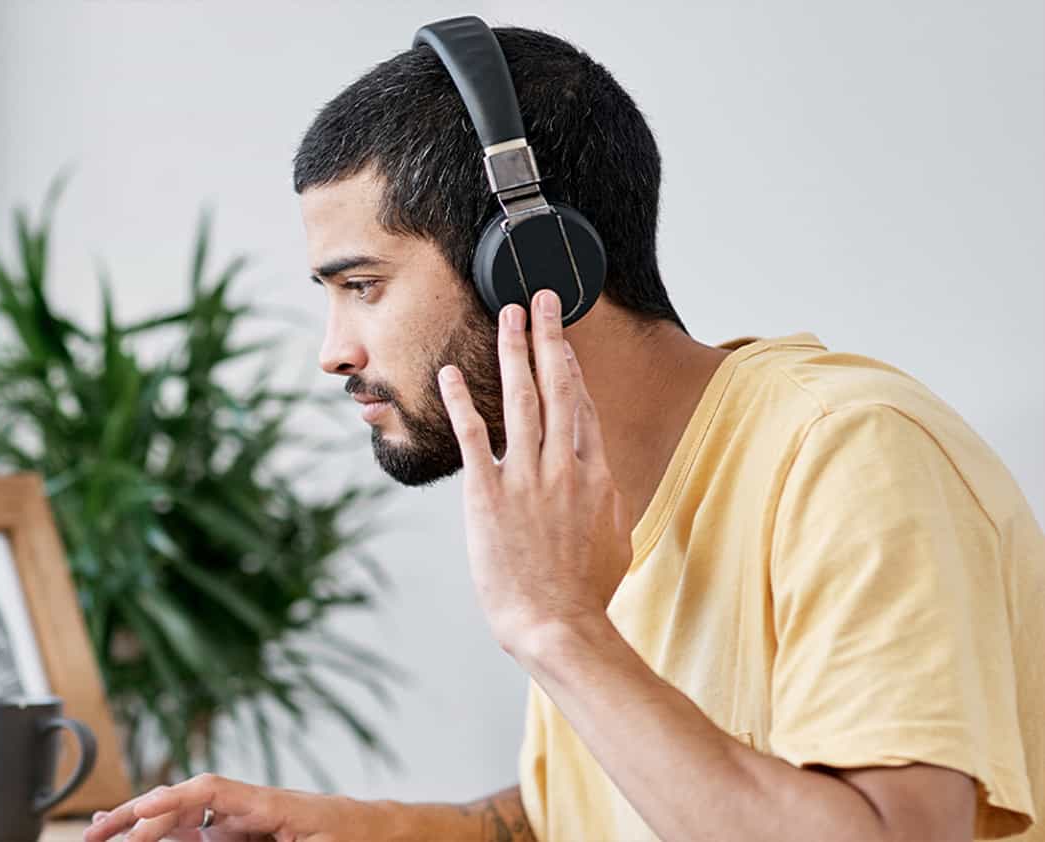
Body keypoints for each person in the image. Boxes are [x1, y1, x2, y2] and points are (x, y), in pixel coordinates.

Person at [85, 21, 1044, 842]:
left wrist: (561, 630)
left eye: (363, 287)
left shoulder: (850, 454)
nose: (333, 352)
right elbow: (586, 812)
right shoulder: (581, 492)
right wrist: (351, 826)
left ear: (533, 266)